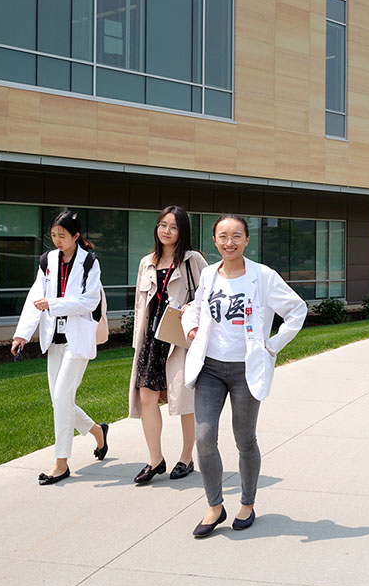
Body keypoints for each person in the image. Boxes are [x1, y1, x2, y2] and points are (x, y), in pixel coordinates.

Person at [181, 213, 307, 537]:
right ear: (214, 241)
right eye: (223, 236)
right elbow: (195, 307)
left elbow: (297, 309)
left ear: (247, 240)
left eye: (236, 236)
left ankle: (247, 503)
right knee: (204, 437)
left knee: (244, 439)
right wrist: (191, 326)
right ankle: (214, 506)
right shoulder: (209, 275)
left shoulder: (263, 276)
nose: (229, 242)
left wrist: (272, 344)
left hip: (244, 370)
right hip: (209, 367)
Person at [11, 210, 108, 486]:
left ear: (76, 236)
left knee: (62, 397)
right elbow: (35, 297)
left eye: (62, 236)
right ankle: (97, 432)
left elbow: (89, 301)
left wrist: (55, 304)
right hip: (54, 338)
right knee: (60, 400)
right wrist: (21, 335)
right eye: (53, 235)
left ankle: (61, 463)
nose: (57, 241)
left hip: (78, 339)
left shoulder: (90, 262)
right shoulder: (48, 260)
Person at [128, 205, 207, 484]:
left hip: (180, 339)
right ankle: (155, 459)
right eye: (162, 225)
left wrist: (190, 309)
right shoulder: (147, 262)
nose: (166, 231)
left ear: (182, 231)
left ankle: (186, 457)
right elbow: (141, 307)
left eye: (173, 227)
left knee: (185, 399)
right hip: (152, 339)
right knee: (146, 397)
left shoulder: (192, 260)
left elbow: (209, 296)